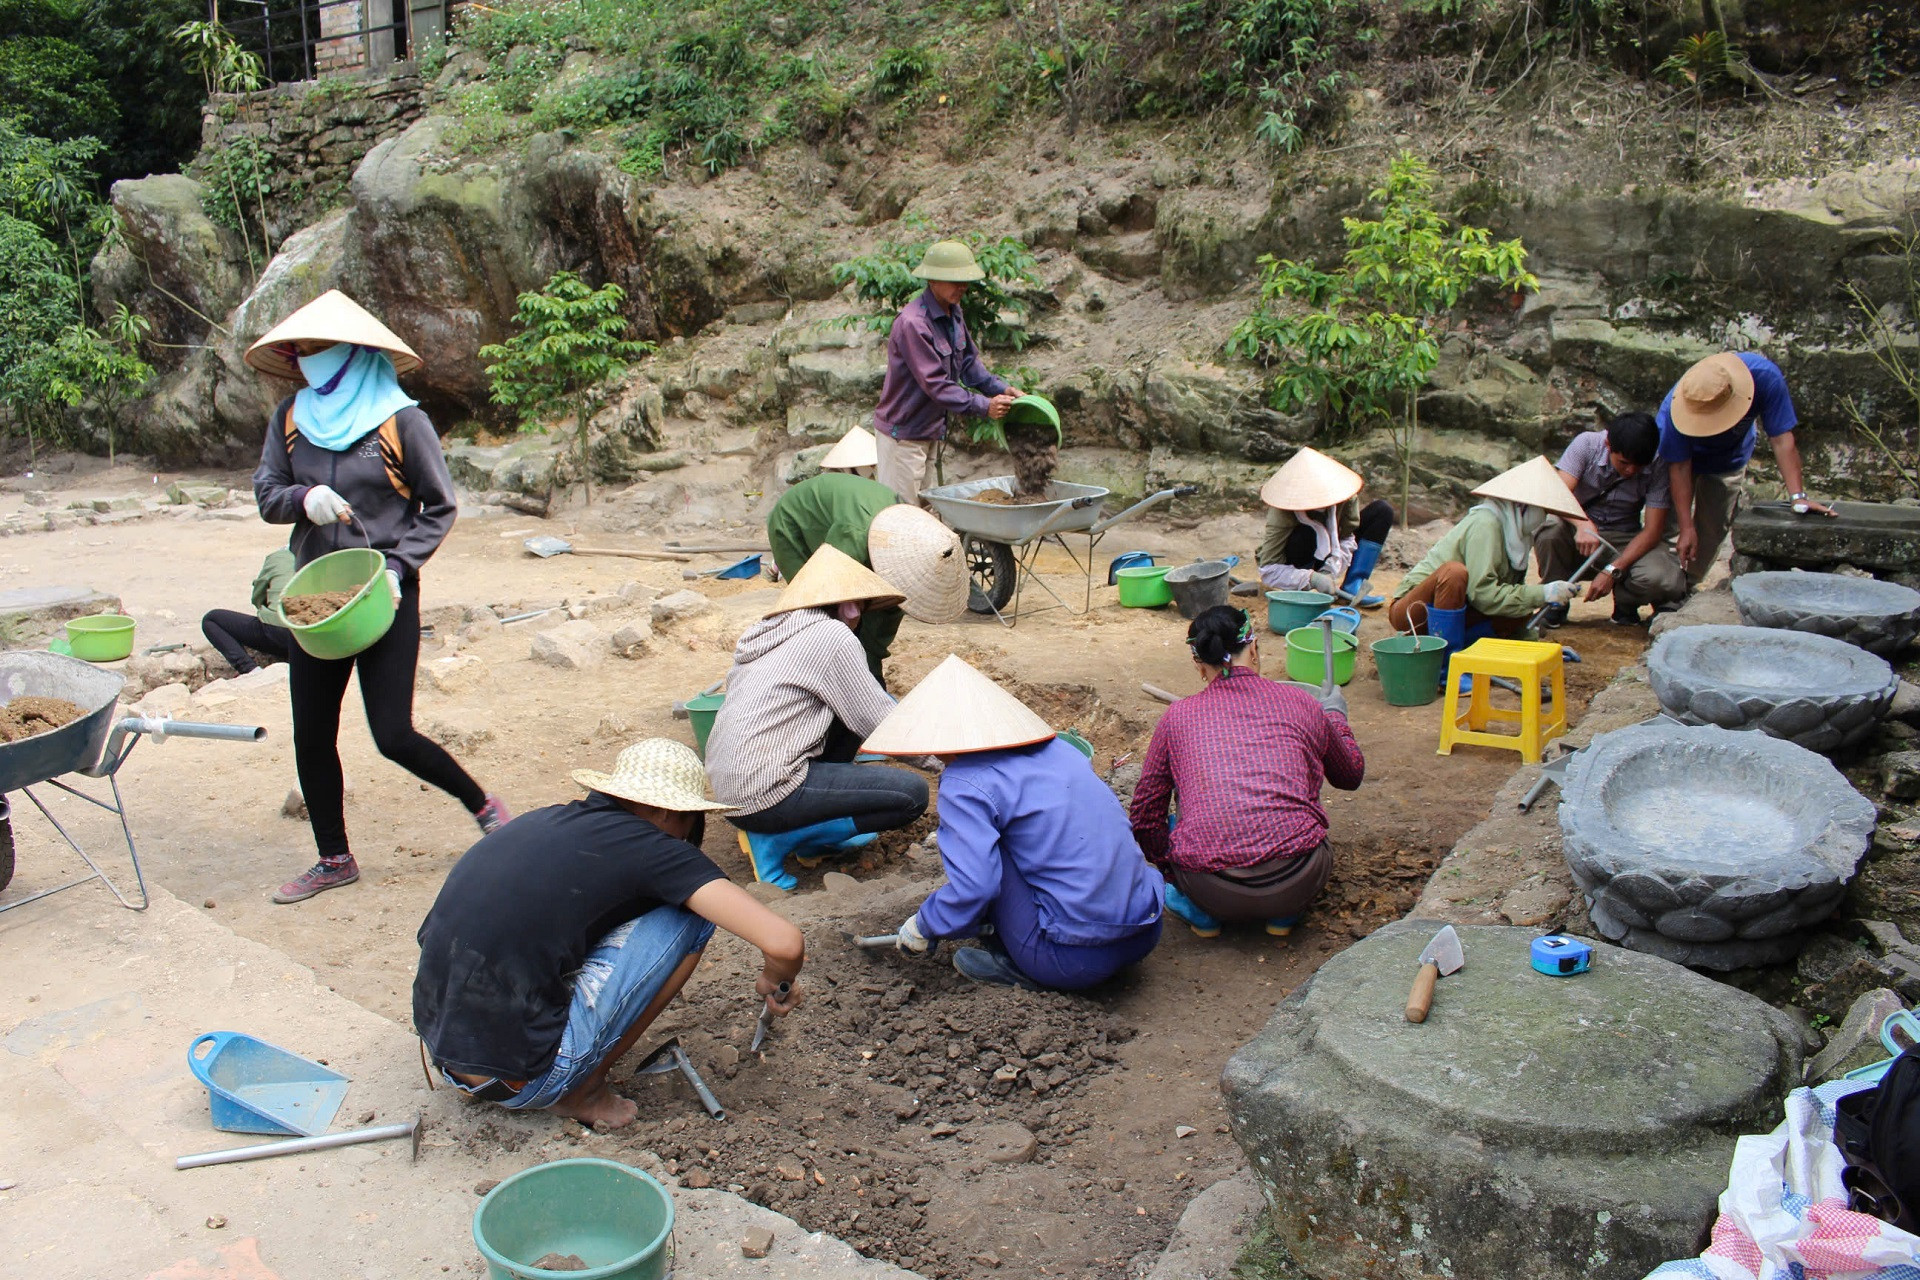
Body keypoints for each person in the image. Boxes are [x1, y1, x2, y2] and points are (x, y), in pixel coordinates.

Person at [248, 289, 508, 904]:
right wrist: (303, 499)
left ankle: (482, 805)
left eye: (315, 348)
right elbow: (267, 492)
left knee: (392, 734)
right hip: (316, 598)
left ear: (351, 352)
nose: (304, 358)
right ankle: (333, 858)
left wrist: (398, 568)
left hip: (384, 593)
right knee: (312, 734)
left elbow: (439, 506)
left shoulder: (401, 421)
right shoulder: (291, 417)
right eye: (298, 350)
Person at [414, 739, 804, 1131]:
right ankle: (584, 1090)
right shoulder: (652, 847)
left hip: (442, 1047)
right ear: (668, 812)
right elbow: (785, 944)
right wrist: (776, 976)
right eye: (690, 821)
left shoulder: (543, 822)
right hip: (526, 1080)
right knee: (694, 916)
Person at [863, 655, 1165, 991]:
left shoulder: (965, 783)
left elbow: (977, 886)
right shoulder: (1062, 750)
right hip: (1145, 930)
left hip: (1072, 961)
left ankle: (1019, 967)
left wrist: (926, 924)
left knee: (989, 861)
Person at [704, 545, 932, 891]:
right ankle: (779, 838)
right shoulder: (832, 635)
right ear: (850, 607)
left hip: (730, 788)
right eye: (862, 608)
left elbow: (859, 710)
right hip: (766, 792)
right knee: (911, 794)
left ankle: (805, 838)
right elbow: (880, 721)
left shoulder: (768, 634)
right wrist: (947, 761)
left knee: (847, 716)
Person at [1128, 607, 1363, 938]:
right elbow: (1350, 776)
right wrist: (1336, 716)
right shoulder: (1301, 702)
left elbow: (1144, 817)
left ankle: (1200, 911)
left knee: (1175, 822)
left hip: (1210, 889)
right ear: (1253, 648)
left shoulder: (1177, 717)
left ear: (1198, 664)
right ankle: (1285, 913)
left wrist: (1174, 871)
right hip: (1301, 878)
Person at [764, 471, 967, 682]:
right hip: (794, 522)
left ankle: (866, 677)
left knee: (882, 614)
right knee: (815, 612)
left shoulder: (910, 538)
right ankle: (807, 681)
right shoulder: (853, 539)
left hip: (853, 523)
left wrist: (871, 673)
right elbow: (826, 586)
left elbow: (883, 622)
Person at [1656, 350, 1835, 588]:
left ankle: (1687, 586)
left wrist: (1798, 497)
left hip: (1729, 457)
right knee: (1666, 524)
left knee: (1713, 527)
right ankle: (1663, 586)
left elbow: (1782, 440)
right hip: (1681, 458)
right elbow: (1679, 468)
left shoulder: (1764, 377)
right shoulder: (1674, 412)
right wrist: (1686, 527)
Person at [1387, 456, 1587, 658]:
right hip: (1413, 611)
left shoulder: (1518, 537)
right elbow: (1483, 594)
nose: (1544, 516)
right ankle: (1446, 662)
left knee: (1519, 609)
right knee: (1454, 573)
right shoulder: (1486, 524)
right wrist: (1543, 593)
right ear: (1523, 506)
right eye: (1543, 510)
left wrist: (1539, 651)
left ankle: (1467, 649)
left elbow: (1512, 599)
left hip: (1462, 608)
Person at [871, 239, 1019, 504]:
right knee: (901, 514)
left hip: (928, 430)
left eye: (965, 281)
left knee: (925, 510)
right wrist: (985, 406)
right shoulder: (913, 324)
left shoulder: (953, 313)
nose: (962, 287)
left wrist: (1003, 389)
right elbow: (936, 385)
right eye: (954, 281)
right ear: (932, 280)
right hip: (903, 436)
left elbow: (968, 364)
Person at [1533, 411, 1688, 628]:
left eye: (1639, 465)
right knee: (1550, 531)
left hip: (1624, 536)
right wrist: (1582, 524)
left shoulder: (1658, 463)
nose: (1631, 470)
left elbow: (1653, 530)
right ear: (1608, 444)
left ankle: (1626, 603)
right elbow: (1555, 496)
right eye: (1624, 462)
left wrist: (1612, 570)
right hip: (1578, 532)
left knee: (1661, 577)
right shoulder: (1586, 445)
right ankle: (1556, 599)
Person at [1246, 447, 1395, 608]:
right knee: (1308, 532)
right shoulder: (1282, 511)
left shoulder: (1344, 496)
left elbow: (1347, 538)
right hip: (1297, 558)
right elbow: (1269, 569)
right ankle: (1303, 588)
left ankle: (1353, 585)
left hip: (1331, 550)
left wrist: (1330, 570)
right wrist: (1313, 579)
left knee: (1382, 511)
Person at [201, 548, 294, 675]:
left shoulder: (279, 557)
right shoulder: (319, 556)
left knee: (211, 619)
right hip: (310, 638)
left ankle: (250, 669)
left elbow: (258, 598)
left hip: (276, 630)